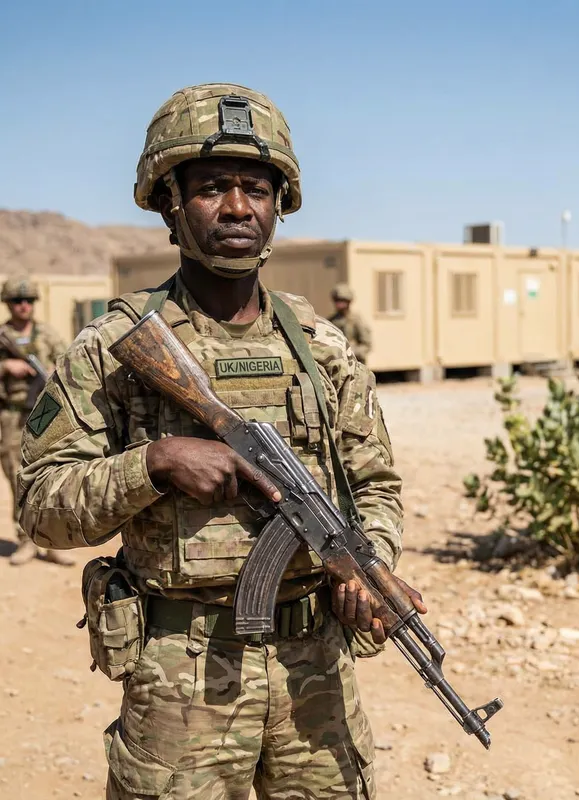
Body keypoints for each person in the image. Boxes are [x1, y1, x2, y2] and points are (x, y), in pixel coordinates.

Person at [18, 83, 423, 799]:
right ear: (169, 201)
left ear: (279, 205)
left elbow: (376, 488)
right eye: (211, 187)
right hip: (183, 681)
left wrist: (371, 564)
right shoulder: (113, 348)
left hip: (315, 680)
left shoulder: (323, 348)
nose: (238, 207)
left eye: (256, 189)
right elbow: (40, 507)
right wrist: (154, 462)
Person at [0, 276, 73, 567]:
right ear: (8, 304)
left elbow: (68, 361)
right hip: (11, 416)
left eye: (28, 300)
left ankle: (51, 541)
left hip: (43, 415)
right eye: (18, 301)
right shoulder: (2, 336)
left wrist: (55, 369)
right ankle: (25, 540)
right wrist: (7, 365)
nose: (23, 306)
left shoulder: (47, 334)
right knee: (17, 478)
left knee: (49, 474)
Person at [329, 283, 372, 364]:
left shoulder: (356, 319)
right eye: (337, 300)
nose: (339, 304)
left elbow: (367, 344)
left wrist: (352, 352)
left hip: (355, 363)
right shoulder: (332, 320)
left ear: (348, 302)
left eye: (342, 301)